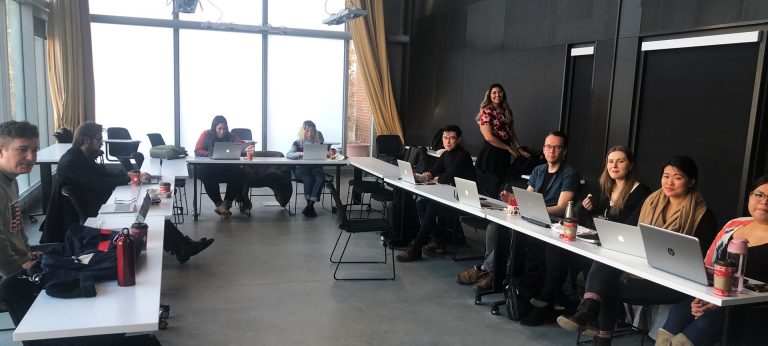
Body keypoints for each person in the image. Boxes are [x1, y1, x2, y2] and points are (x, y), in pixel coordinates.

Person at [556, 156, 717, 346]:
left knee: (606, 284)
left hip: (674, 282)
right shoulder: (651, 201)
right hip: (642, 269)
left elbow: (700, 261)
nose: (669, 182)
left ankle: (595, 323)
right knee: (606, 261)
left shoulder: (702, 215)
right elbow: (630, 230)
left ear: (691, 181)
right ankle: (590, 311)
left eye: (677, 178)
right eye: (666, 176)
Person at [47, 122, 214, 264]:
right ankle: (182, 247)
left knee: (147, 208)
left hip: (96, 203)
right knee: (144, 210)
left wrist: (130, 175)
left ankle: (182, 246)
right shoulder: (72, 162)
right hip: (90, 213)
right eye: (98, 140)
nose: (101, 144)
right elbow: (100, 184)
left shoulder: (82, 157)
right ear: (85, 140)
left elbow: (104, 174)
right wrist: (130, 178)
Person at [458, 131, 579, 316]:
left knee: (513, 235)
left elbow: (562, 208)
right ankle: (494, 271)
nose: (551, 151)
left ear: (564, 151)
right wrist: (513, 198)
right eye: (548, 147)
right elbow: (528, 197)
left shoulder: (569, 174)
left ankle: (487, 270)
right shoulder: (538, 170)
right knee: (494, 228)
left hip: (551, 224)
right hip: (530, 217)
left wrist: (536, 209)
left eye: (556, 147)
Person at [655, 175, 768, 346]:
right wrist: (701, 297)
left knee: (698, 329)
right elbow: (708, 266)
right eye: (759, 195)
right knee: (677, 314)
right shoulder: (734, 225)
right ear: (750, 196)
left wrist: (720, 301)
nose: (764, 202)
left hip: (750, 305)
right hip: (714, 295)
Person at [396, 124, 476, 261]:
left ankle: (416, 247)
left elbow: (448, 176)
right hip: (451, 195)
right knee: (421, 205)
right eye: (445, 138)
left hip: (466, 200)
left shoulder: (463, 155)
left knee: (432, 208)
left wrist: (439, 177)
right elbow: (435, 171)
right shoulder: (445, 154)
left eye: (452, 138)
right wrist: (428, 174)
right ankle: (438, 240)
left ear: (459, 140)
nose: (448, 142)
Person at [474, 83, 530, 197]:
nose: (497, 95)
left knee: (499, 186)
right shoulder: (487, 111)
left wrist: (519, 149)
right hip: (491, 153)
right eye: (494, 93)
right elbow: (488, 137)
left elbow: (512, 134)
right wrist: (508, 148)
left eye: (500, 92)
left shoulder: (507, 111)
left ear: (503, 94)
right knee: (489, 188)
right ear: (489, 95)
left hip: (504, 154)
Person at [194, 115, 252, 219]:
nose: (222, 131)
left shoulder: (232, 136)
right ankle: (219, 204)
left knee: (239, 172)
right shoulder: (206, 134)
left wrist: (247, 150)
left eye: (224, 128)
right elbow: (197, 150)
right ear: (214, 127)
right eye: (219, 128)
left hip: (227, 169)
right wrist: (210, 154)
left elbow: (242, 148)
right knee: (204, 173)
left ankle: (225, 204)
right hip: (210, 169)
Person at [286, 120, 326, 217]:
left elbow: (325, 155)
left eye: (312, 131)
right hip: (301, 168)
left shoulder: (319, 142)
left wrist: (326, 153)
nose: (310, 133)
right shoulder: (298, 142)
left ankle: (310, 205)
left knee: (320, 178)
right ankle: (310, 206)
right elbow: (288, 154)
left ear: (315, 131)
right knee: (308, 178)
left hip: (316, 167)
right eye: (307, 131)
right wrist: (300, 153)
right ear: (303, 131)